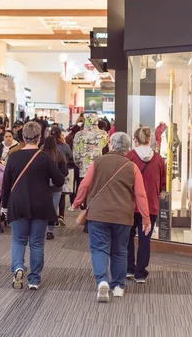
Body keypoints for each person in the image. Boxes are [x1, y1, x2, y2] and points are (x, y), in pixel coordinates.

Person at [73, 132, 151, 302]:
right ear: (127, 148)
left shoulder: (98, 161)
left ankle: (102, 281)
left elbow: (85, 184)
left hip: (98, 215)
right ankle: (118, 286)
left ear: (112, 144)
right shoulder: (132, 167)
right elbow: (140, 194)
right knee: (120, 251)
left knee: (99, 248)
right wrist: (146, 218)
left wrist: (77, 203)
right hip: (123, 216)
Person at [1, 122, 65, 291]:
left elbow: (6, 183)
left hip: (17, 203)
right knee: (37, 243)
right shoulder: (44, 157)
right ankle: (34, 279)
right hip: (41, 203)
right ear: (39, 138)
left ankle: (18, 267)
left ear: (22, 137)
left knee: (18, 240)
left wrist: (4, 205)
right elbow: (59, 180)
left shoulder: (13, 156)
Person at [125, 126, 165, 283]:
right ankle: (140, 273)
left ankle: (129, 268)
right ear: (150, 140)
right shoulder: (159, 159)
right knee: (145, 239)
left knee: (127, 236)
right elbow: (162, 183)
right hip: (151, 206)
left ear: (135, 139)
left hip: (131, 204)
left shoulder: (130, 157)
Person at [73, 114, 108, 231]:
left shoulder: (79, 135)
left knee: (85, 194)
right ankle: (94, 220)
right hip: (98, 168)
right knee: (97, 194)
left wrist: (80, 164)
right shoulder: (103, 134)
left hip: (84, 169)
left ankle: (86, 219)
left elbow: (76, 155)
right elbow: (104, 150)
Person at [40, 136, 68, 240]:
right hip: (56, 187)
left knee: (42, 209)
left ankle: (40, 230)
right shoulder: (59, 155)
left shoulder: (40, 155)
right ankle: (50, 231)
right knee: (52, 209)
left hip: (42, 186)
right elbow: (64, 172)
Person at [51, 127, 74, 227]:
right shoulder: (65, 146)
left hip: (47, 176)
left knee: (49, 196)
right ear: (60, 135)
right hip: (61, 174)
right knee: (62, 195)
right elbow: (70, 156)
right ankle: (61, 216)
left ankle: (51, 216)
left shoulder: (44, 147)